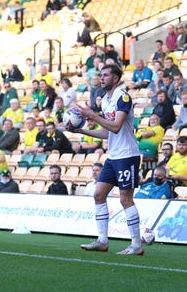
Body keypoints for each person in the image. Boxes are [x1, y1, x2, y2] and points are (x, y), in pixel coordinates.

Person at [74, 64, 144, 254]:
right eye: (101, 75)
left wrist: (91, 115)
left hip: (128, 155)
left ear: (115, 78)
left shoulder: (123, 97)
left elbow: (115, 127)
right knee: (98, 194)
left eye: (105, 75)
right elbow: (107, 133)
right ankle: (102, 241)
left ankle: (137, 244)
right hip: (114, 156)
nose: (101, 78)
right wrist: (82, 130)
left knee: (125, 199)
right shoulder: (106, 100)